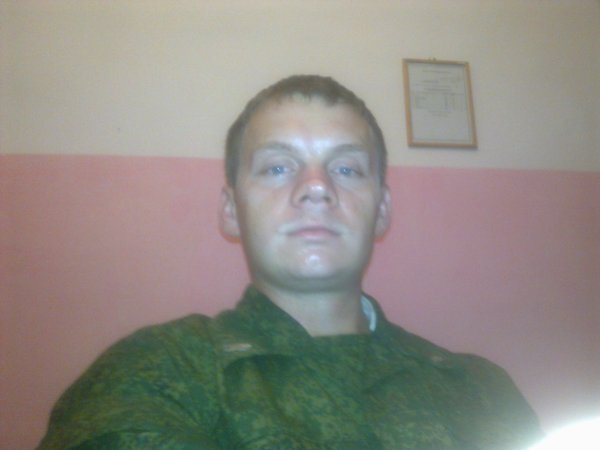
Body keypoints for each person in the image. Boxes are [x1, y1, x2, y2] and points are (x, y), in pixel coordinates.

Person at [39, 75, 542, 449]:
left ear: (383, 209)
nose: (317, 187)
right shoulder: (155, 372)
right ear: (231, 210)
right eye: (278, 167)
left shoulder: (482, 390)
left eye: (347, 168)